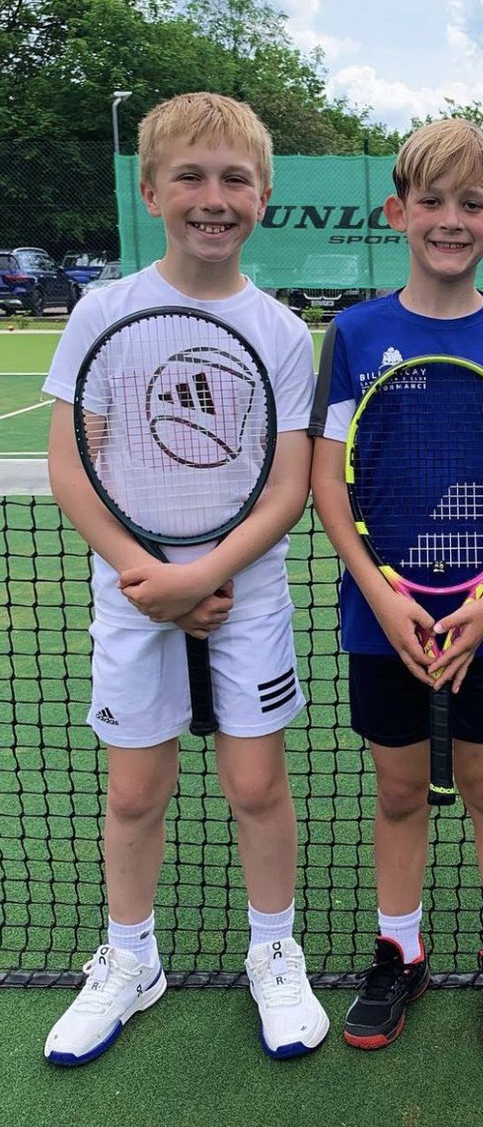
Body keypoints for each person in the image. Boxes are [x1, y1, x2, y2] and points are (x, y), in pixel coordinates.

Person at [42, 92, 326, 1064]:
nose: (214, 197)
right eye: (193, 177)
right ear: (151, 189)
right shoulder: (102, 313)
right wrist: (145, 576)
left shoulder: (285, 334)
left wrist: (204, 575)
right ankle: (129, 960)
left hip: (246, 593)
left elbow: (287, 488)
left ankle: (274, 951)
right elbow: (74, 463)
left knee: (255, 783)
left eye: (235, 178)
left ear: (265, 195)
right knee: (134, 793)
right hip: (131, 594)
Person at [308, 118, 483, 1051]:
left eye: (469, 204)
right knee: (401, 788)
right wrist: (380, 591)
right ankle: (401, 951)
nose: (449, 220)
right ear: (397, 211)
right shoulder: (357, 333)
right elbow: (328, 479)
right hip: (386, 614)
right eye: (431, 202)